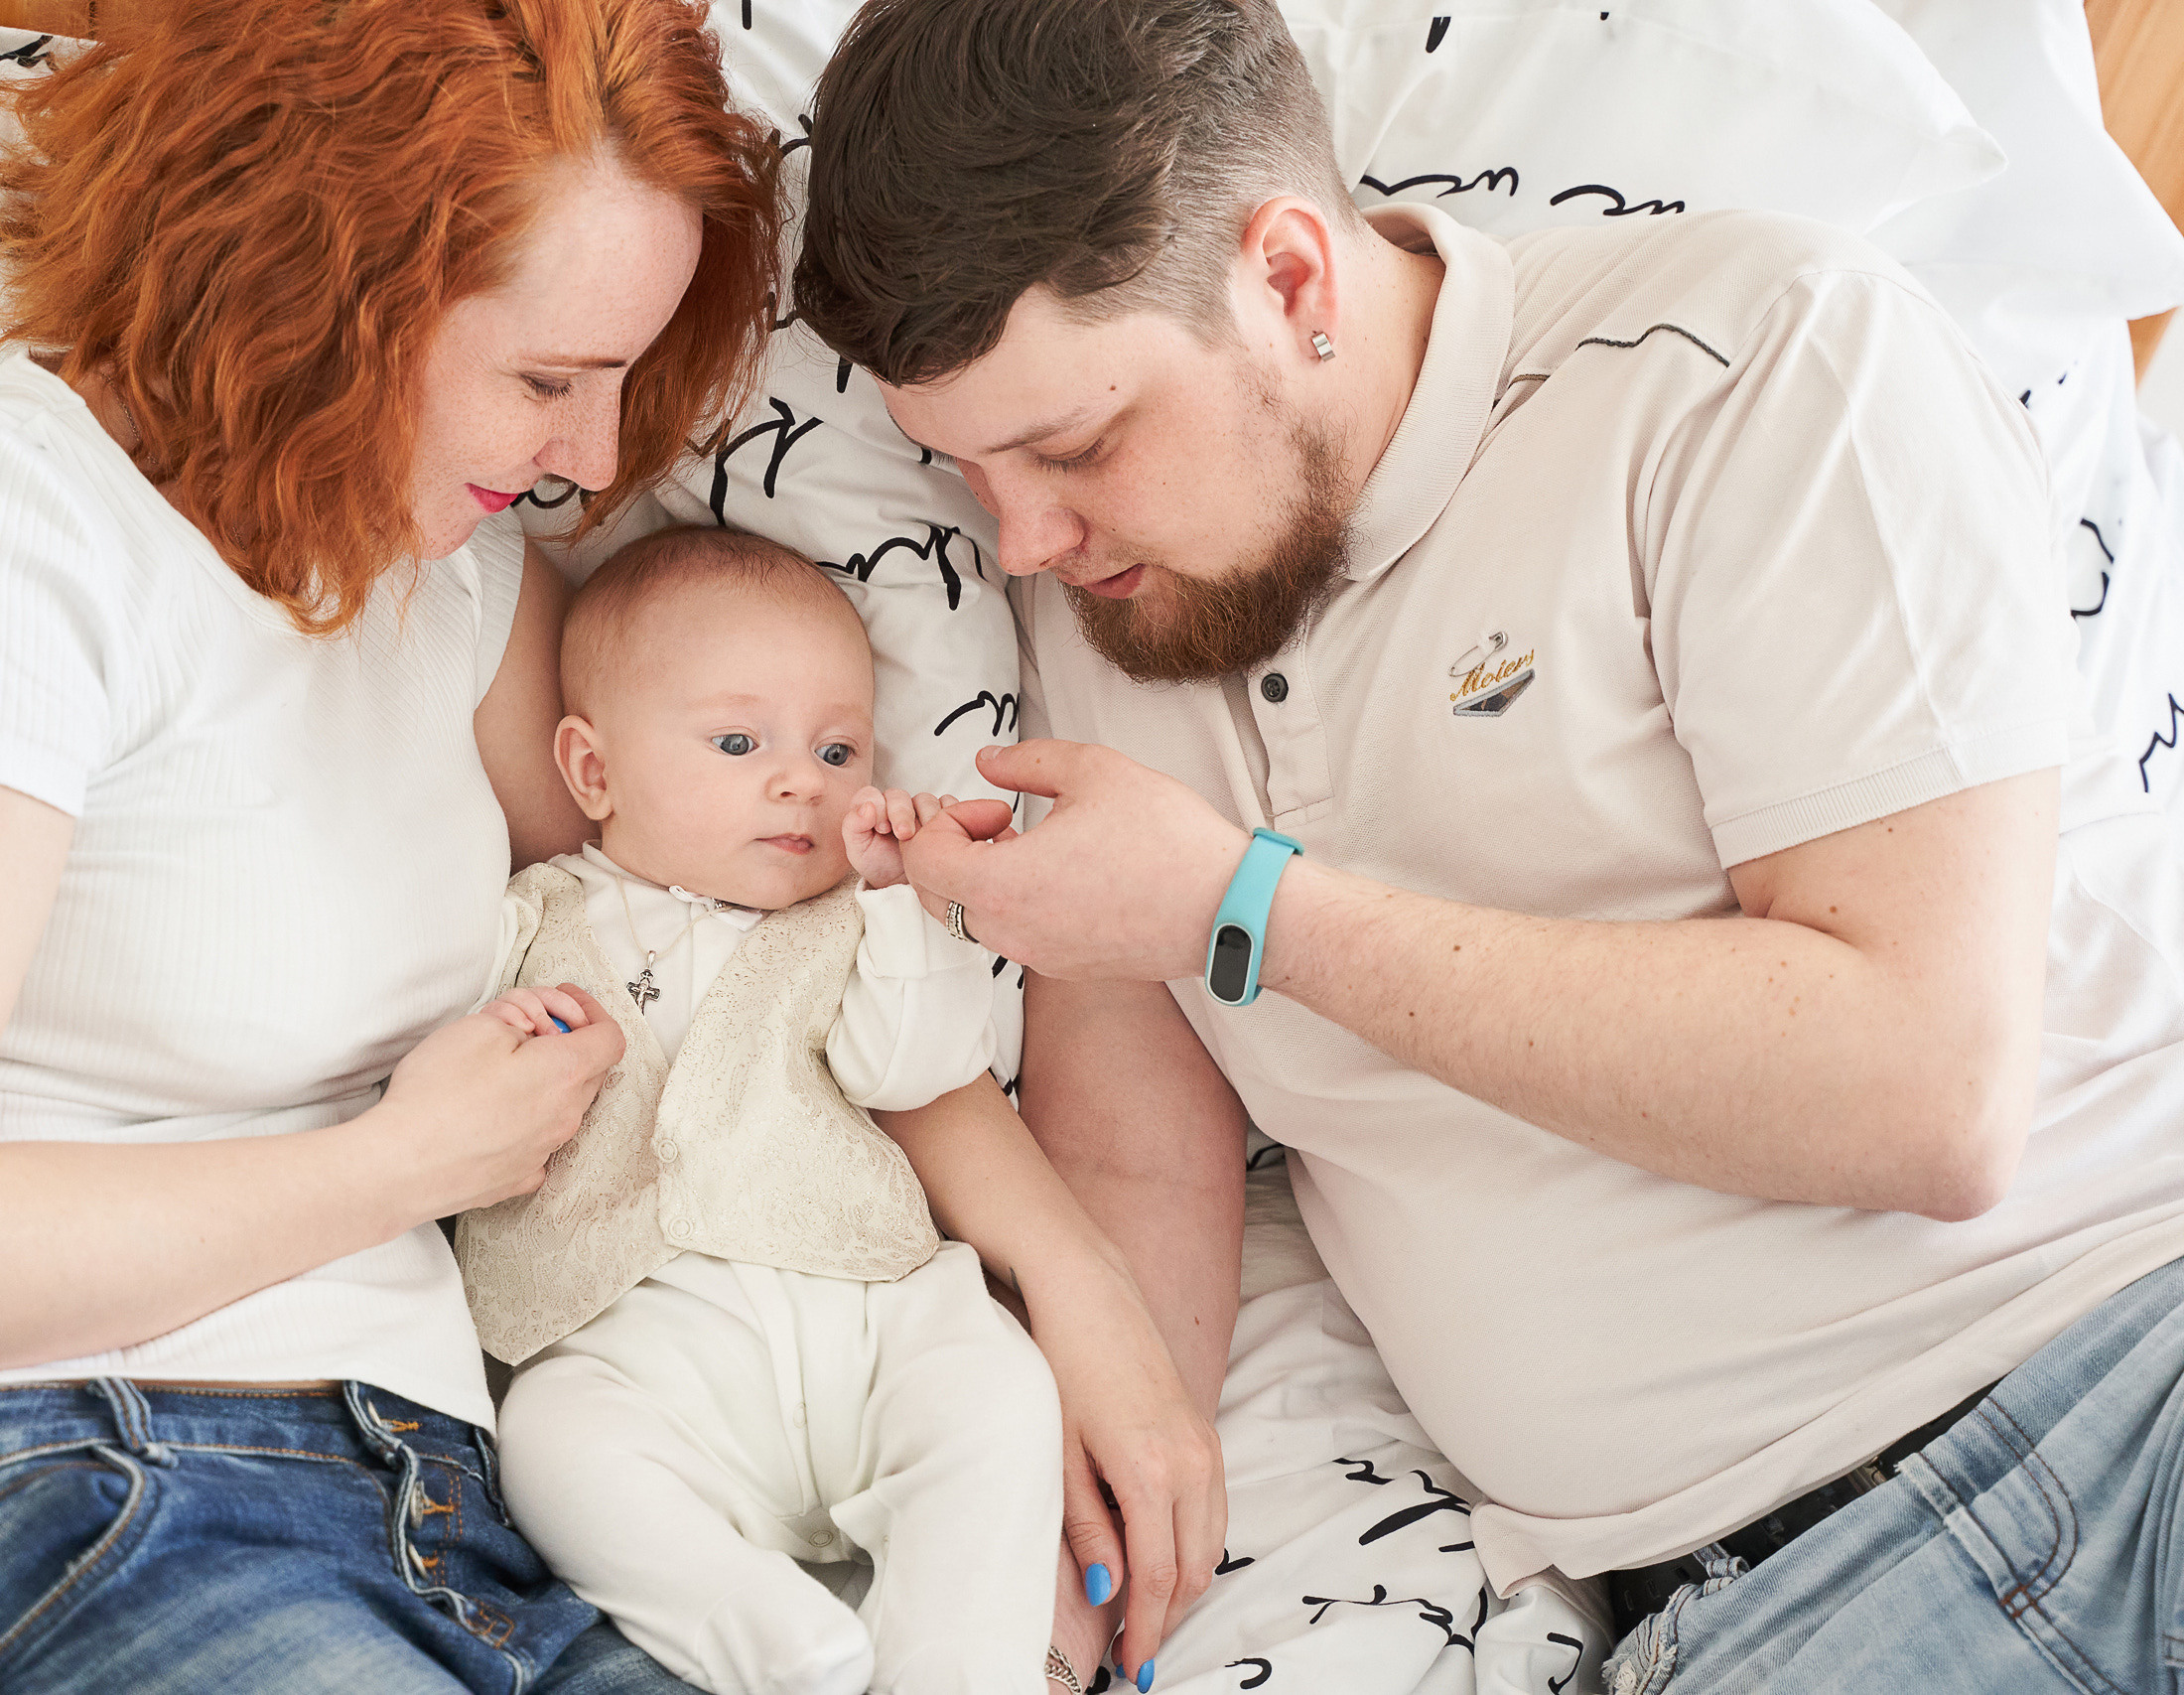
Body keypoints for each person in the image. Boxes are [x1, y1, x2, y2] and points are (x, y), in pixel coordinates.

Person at [788, 0, 2184, 1689]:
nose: (1026, 533)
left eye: (1074, 447)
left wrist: (1254, 910)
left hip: (2123, 1375)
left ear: (1291, 279)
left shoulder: (1754, 362)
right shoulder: (1100, 614)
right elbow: (1144, 1157)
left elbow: (1927, 1091)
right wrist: (1061, 1553)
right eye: (971, 472)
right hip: (1758, 1611)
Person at [0, 0, 783, 1687]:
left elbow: (732, 870)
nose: (587, 460)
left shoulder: (452, 582)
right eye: (544, 380)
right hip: (25, 1484)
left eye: (620, 382)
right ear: (313, 295)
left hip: (438, 1511)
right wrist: (402, 1166)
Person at [462, 525, 1169, 1695]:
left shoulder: (849, 924)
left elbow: (914, 1067)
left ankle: (956, 1671)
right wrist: (495, 1036)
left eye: (838, 748)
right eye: (739, 742)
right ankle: (780, 1647)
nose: (800, 779)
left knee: (998, 1400)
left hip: (872, 1318)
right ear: (593, 772)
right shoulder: (531, 920)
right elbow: (430, 1036)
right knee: (548, 1441)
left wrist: (911, 910)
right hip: (642, 1347)